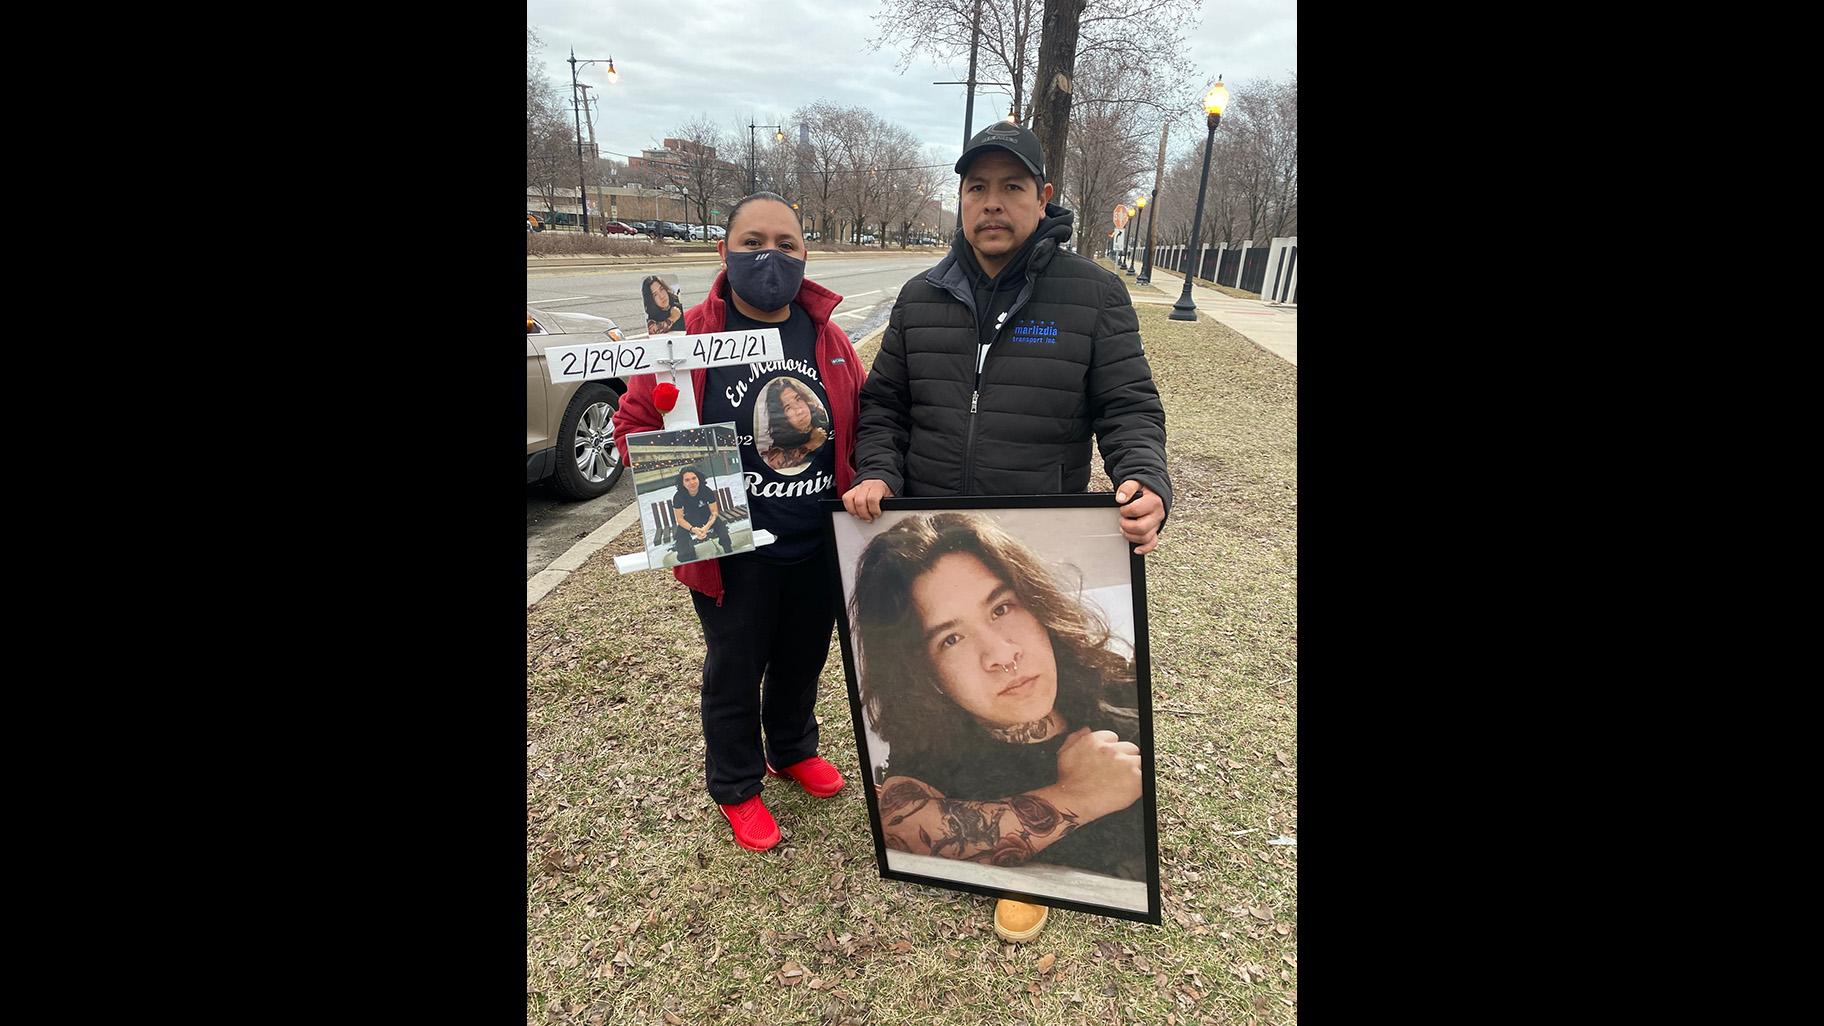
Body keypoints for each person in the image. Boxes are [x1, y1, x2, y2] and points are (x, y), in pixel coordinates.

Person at [841, 120, 1171, 941]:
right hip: (928, 535)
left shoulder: (1091, 295)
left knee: (1048, 697)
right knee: (968, 699)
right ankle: (1021, 845)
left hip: (1017, 529)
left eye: (1011, 187)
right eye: (976, 188)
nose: (992, 204)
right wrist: (877, 469)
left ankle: (1061, 864)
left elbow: (1128, 407)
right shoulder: (921, 299)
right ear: (959, 200)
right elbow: (883, 406)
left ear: (1042, 199)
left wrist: (1144, 479)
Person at [614, 192, 865, 853]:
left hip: (818, 541)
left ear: (804, 255)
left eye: (786, 244)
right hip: (732, 550)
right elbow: (634, 421)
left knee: (802, 661)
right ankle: (736, 783)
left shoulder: (829, 339)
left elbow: (860, 427)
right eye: (753, 241)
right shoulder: (686, 339)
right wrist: (673, 482)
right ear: (723, 252)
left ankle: (790, 749)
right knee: (735, 667)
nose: (770, 256)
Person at [851, 513, 1146, 887]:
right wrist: (1079, 796)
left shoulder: (1115, 681)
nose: (1002, 655)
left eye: (1001, 608)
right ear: (923, 672)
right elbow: (898, 823)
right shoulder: (937, 753)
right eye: (951, 639)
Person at [760, 378, 831, 472]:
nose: (799, 411)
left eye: (798, 399)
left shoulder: (822, 417)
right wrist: (812, 443)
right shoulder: (783, 441)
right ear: (783, 416)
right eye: (788, 408)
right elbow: (781, 464)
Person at [669, 466, 733, 563]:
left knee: (722, 530)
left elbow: (714, 513)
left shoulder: (706, 491)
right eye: (687, 480)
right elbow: (680, 519)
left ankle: (728, 551)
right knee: (681, 539)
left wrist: (706, 527)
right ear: (682, 483)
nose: (692, 482)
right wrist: (693, 529)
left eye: (694, 478)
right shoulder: (678, 497)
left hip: (707, 518)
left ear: (698, 478)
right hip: (689, 520)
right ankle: (689, 559)